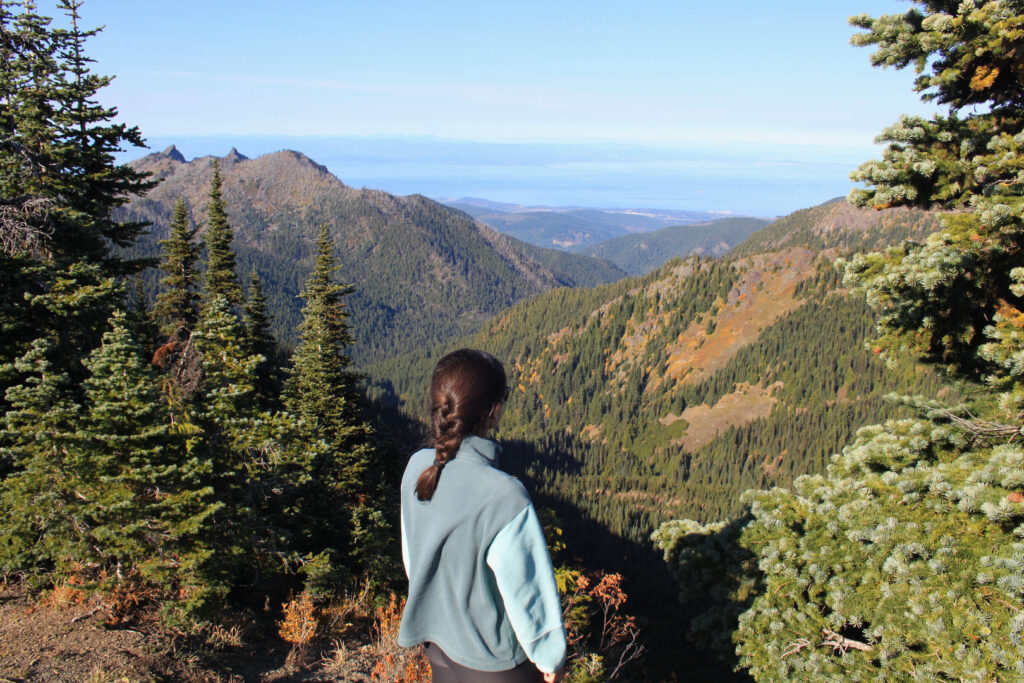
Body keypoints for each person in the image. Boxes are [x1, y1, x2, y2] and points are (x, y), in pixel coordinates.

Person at [398, 348, 567, 682]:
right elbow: (527, 590)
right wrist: (550, 657)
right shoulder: (503, 495)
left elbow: (412, 555)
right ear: (493, 410)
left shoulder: (417, 467)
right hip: (494, 662)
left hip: (438, 646)